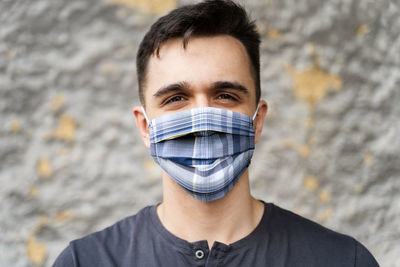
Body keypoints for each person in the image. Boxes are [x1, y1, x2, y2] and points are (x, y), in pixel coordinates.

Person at [53, 1, 379, 266]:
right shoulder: (86, 261)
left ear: (257, 120)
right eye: (176, 98)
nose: (202, 118)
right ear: (144, 127)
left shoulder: (341, 260)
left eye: (225, 96)